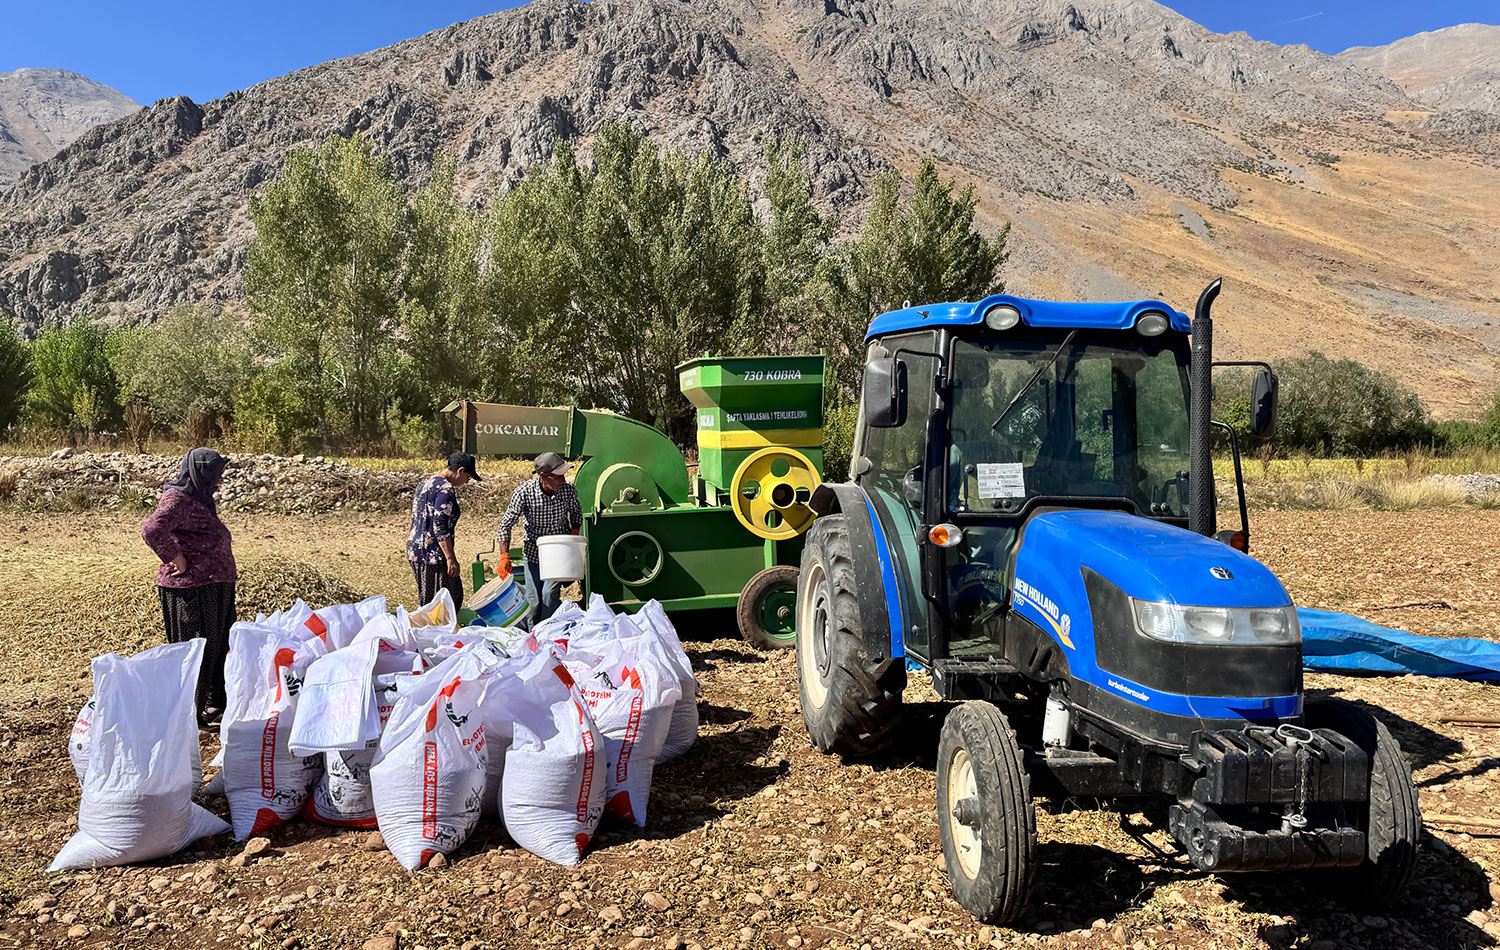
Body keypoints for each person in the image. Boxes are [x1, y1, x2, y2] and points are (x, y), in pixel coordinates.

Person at [140, 448, 236, 728]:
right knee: (197, 651)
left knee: (218, 646)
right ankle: (189, 714)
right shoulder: (177, 499)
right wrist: (176, 557)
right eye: (215, 473)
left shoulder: (200, 497)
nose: (219, 479)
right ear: (199, 471)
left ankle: (213, 703)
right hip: (192, 590)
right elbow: (152, 528)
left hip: (214, 585)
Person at [496, 451, 582, 627]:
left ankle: (549, 632)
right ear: (544, 477)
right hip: (534, 552)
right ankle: (533, 634)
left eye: (563, 476)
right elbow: (505, 524)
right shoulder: (524, 492)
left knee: (549, 594)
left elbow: (576, 514)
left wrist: (573, 537)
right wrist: (504, 556)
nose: (563, 480)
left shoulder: (568, 490)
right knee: (533, 600)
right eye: (558, 477)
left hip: (559, 551)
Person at [408, 452, 482, 609]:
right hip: (433, 554)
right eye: (467, 477)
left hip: (416, 550)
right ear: (460, 471)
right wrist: (450, 558)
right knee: (445, 602)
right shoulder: (445, 489)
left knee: (431, 600)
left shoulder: (425, 482)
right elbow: (440, 526)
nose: (466, 481)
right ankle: (434, 632)